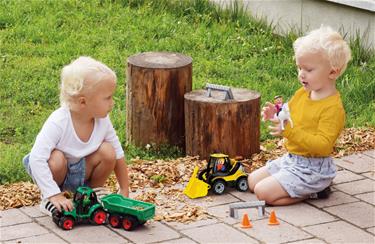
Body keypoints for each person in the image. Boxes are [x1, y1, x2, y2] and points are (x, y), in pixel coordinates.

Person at [248, 26, 351, 206]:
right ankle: (303, 187)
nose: (301, 74)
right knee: (252, 181)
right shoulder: (304, 93)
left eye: (309, 70)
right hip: (292, 159)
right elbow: (290, 113)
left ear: (333, 72)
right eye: (299, 68)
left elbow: (322, 146)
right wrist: (277, 113)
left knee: (262, 193)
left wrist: (288, 131)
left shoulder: (332, 109)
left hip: (313, 168)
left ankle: (317, 190)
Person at [23, 56, 129, 215]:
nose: (112, 102)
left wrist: (124, 189)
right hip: (57, 173)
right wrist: (53, 193)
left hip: (81, 170)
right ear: (83, 102)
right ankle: (49, 198)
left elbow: (118, 153)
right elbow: (36, 159)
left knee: (108, 151)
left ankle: (93, 192)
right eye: (107, 98)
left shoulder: (102, 120)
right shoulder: (59, 122)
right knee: (56, 158)